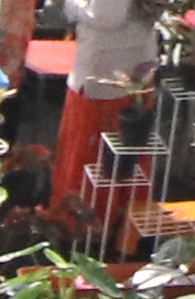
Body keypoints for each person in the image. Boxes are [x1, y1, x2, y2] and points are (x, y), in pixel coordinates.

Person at [48, 0, 158, 252]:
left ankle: (93, 229)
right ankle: (122, 227)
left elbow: (106, 16)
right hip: (131, 60)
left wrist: (69, 6)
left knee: (93, 155)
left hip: (106, 67)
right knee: (126, 150)